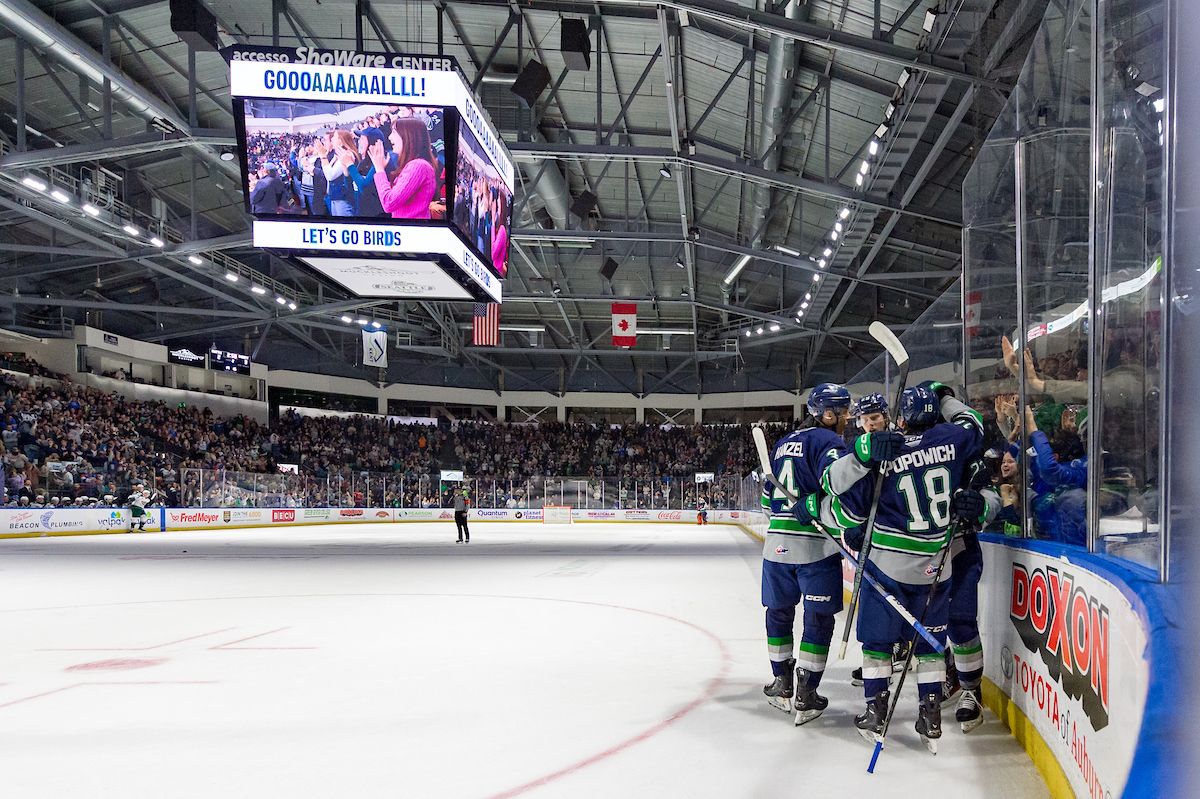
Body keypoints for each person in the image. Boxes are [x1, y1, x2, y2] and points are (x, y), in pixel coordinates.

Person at [822, 386, 993, 750]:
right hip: (938, 560)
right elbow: (973, 423)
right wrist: (946, 396)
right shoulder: (953, 439)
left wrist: (840, 513)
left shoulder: (883, 454)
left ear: (896, 417)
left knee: (878, 641)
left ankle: (878, 708)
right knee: (932, 641)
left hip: (892, 563)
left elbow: (839, 499)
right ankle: (930, 713)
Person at [760, 384, 886, 726]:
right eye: (844, 412)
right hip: (815, 547)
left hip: (775, 547)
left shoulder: (783, 443)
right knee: (818, 619)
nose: (848, 419)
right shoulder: (829, 443)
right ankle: (806, 692)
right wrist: (840, 520)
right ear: (828, 414)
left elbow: (765, 501)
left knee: (778, 612)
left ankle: (781, 681)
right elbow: (838, 487)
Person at [368, 117, 437, 220]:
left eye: (394, 132)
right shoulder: (416, 165)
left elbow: (389, 203)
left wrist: (379, 169)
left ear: (409, 136)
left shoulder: (418, 166)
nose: (390, 137)